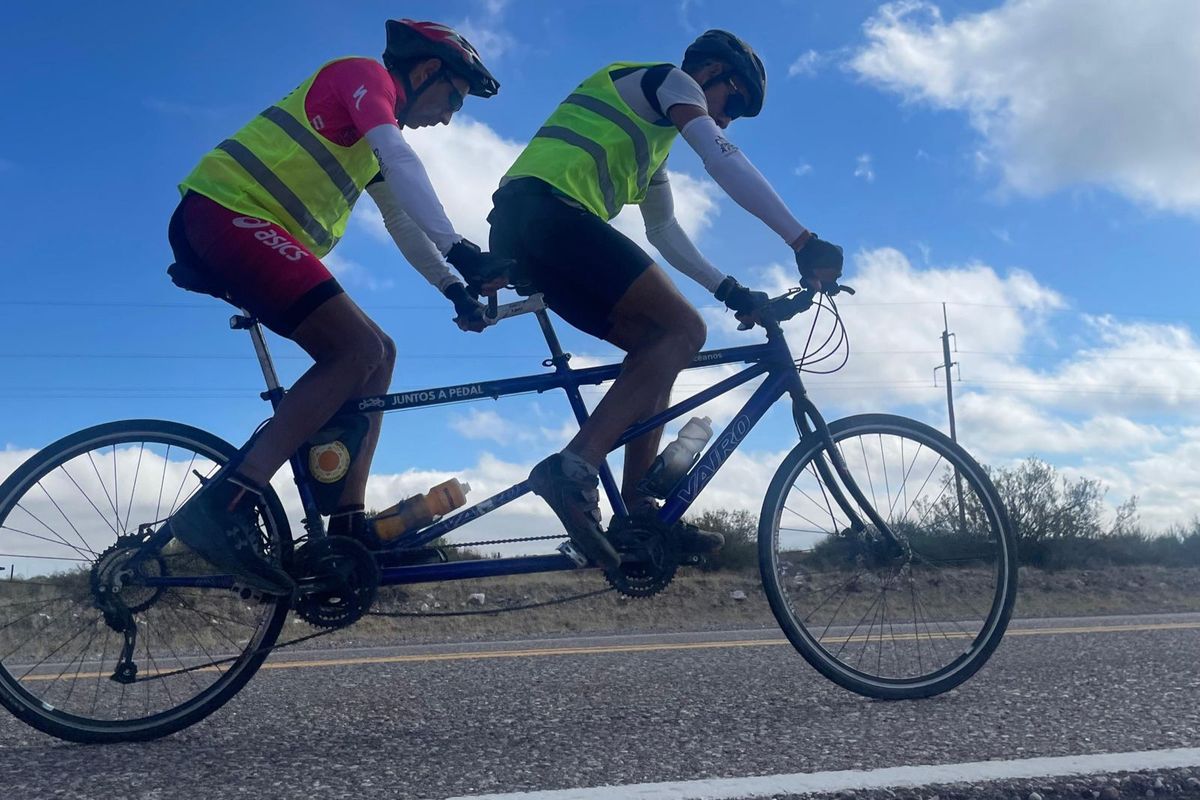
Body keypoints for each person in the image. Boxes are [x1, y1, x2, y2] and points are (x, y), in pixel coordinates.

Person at [166, 20, 509, 594]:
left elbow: (401, 221)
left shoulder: (375, 137)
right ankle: (227, 501)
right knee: (356, 347)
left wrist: (453, 286)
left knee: (379, 355)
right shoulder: (363, 76)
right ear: (425, 70)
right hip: (226, 210)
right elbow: (399, 158)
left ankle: (348, 526)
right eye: (454, 97)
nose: (450, 116)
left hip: (251, 226)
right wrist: (462, 249)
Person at [488, 30, 844, 569]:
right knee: (685, 331)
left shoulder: (650, 151)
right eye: (736, 101)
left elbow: (667, 232)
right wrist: (802, 239)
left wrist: (731, 290)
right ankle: (574, 467)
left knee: (660, 347)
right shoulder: (668, 80)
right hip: (546, 211)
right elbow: (722, 159)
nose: (728, 119)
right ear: (710, 74)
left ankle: (636, 510)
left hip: (533, 230)